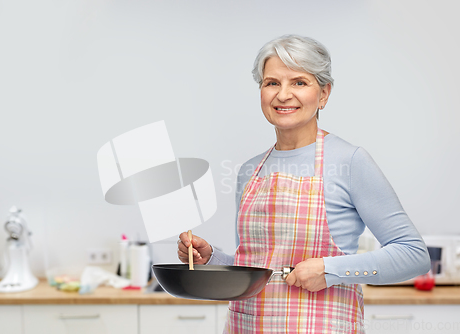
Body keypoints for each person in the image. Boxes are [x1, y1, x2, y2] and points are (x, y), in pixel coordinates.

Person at [177, 34, 430, 333]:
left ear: (324, 93)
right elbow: (259, 267)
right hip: (246, 326)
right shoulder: (249, 171)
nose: (283, 95)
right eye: (272, 83)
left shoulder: (350, 161)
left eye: (299, 82)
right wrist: (212, 259)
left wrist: (331, 270)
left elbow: (414, 255)